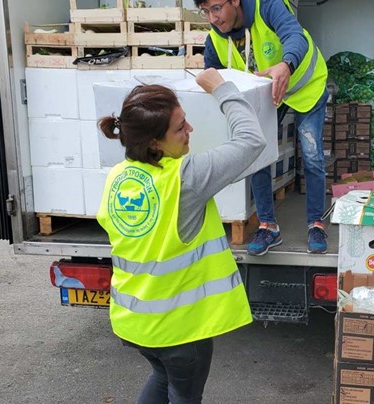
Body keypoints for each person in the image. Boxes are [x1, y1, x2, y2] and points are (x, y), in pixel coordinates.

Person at [96, 68, 265, 404]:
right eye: (180, 127)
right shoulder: (185, 179)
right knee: (184, 395)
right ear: (154, 143)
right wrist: (221, 88)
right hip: (179, 330)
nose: (190, 129)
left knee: (162, 377)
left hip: (135, 322)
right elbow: (251, 141)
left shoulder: (119, 176)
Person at [194, 0, 330, 255]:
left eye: (215, 8)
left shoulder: (267, 6)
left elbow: (294, 35)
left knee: (312, 156)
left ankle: (316, 224)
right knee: (256, 151)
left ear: (235, 1)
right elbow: (212, 75)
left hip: (305, 87)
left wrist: (286, 64)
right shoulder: (215, 38)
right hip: (268, 95)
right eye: (205, 11)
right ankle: (268, 226)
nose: (212, 18)